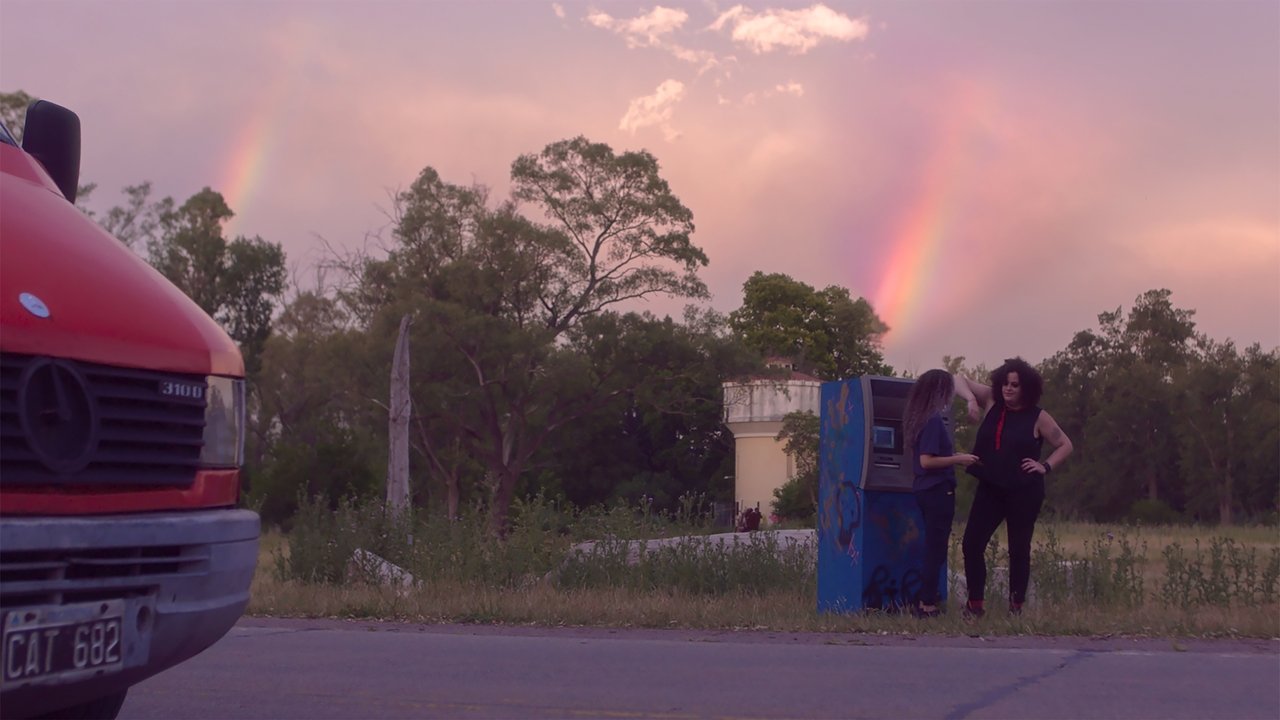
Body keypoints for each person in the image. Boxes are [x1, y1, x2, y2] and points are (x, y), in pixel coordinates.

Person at [954, 357, 1074, 617]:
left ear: (1026, 388)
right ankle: (975, 606)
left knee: (1019, 549)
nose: (1008, 389)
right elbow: (957, 380)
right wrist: (971, 400)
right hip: (990, 486)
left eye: (1015, 385)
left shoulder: (1038, 416)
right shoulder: (991, 401)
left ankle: (1015, 608)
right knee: (972, 543)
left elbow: (1065, 444)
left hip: (1023, 490)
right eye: (1006, 383)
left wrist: (1046, 466)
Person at [903, 369, 979, 618]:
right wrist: (960, 458)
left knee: (932, 546)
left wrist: (970, 398)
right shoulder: (933, 420)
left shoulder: (918, 418)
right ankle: (927, 603)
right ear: (940, 391)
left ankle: (927, 599)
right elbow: (927, 461)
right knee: (935, 547)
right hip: (937, 490)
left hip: (924, 490)